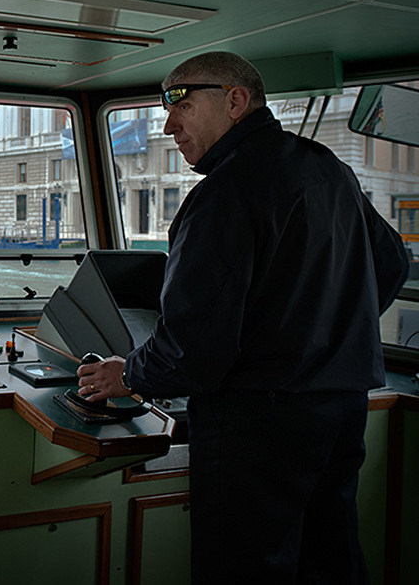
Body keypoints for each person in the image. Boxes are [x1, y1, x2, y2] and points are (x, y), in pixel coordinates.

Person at [76, 51, 409, 584]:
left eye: (178, 99)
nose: (168, 122)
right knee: (330, 556)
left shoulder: (223, 193)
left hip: (257, 425)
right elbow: (391, 266)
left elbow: (194, 345)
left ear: (236, 101)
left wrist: (128, 374)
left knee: (245, 568)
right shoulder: (328, 168)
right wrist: (331, 332)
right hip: (342, 409)